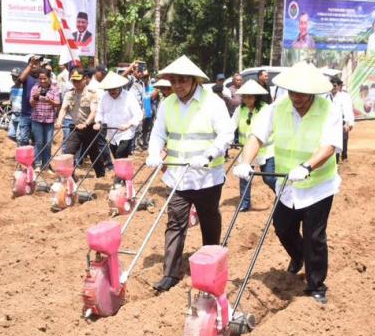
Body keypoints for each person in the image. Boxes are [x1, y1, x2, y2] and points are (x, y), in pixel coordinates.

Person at [233, 62, 341, 304]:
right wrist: (246, 161)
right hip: (287, 185)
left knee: (315, 235)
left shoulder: (328, 110)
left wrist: (307, 166)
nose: (297, 98)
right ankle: (299, 255)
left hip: (318, 185)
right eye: (293, 92)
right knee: (282, 226)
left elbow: (329, 146)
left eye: (302, 93)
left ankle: (316, 285)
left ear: (313, 92)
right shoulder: (277, 108)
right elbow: (257, 136)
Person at [146, 55, 235, 292]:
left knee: (209, 219)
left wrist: (207, 155)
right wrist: (154, 152)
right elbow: (157, 134)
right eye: (173, 81)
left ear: (194, 80)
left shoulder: (213, 103)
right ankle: (170, 273)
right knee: (175, 222)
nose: (177, 86)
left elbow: (226, 135)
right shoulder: (167, 105)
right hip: (177, 176)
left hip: (207, 176)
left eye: (182, 81)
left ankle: (211, 261)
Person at [232, 79, 276, 212]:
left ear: (256, 96)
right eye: (244, 96)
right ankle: (244, 203)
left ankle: (282, 194)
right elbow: (231, 126)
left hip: (265, 150)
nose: (247, 99)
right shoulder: (240, 109)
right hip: (246, 149)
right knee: (244, 177)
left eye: (250, 96)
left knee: (268, 178)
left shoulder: (267, 109)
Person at [55, 68, 105, 178]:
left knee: (94, 153)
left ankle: (101, 176)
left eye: (78, 80)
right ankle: (69, 176)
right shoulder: (69, 94)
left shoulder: (92, 93)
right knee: (68, 151)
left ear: (85, 79)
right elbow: (63, 109)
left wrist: (86, 123)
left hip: (90, 128)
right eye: (74, 81)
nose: (76, 83)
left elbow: (94, 111)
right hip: (76, 128)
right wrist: (59, 121)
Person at [95, 72, 143, 159]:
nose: (112, 91)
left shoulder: (129, 96)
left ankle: (122, 172)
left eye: (114, 89)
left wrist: (128, 124)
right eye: (109, 89)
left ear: (120, 87)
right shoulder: (104, 97)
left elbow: (138, 114)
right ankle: (123, 172)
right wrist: (98, 122)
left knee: (120, 154)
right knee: (116, 156)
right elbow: (100, 112)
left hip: (126, 133)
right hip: (111, 133)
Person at [30, 68, 60, 170]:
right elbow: (31, 104)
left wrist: (49, 101)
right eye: (40, 79)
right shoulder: (35, 88)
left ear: (49, 78)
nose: (42, 81)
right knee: (39, 142)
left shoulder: (54, 89)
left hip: (49, 119)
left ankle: (46, 164)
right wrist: (35, 97)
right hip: (37, 119)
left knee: (48, 143)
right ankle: (38, 164)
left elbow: (57, 103)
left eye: (44, 78)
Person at [17, 54, 43, 146]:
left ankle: (35, 159)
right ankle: (25, 159)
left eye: (37, 63)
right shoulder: (27, 76)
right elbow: (20, 80)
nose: (34, 65)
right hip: (25, 113)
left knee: (37, 140)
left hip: (39, 114)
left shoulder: (43, 78)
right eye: (32, 64)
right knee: (24, 139)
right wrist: (30, 64)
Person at [329, 76, 354, 163]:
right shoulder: (326, 96)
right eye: (331, 85)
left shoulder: (344, 97)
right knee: (331, 141)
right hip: (329, 123)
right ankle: (334, 159)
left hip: (341, 122)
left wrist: (348, 122)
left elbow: (348, 110)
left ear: (339, 86)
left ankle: (344, 156)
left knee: (343, 139)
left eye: (335, 85)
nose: (333, 87)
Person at [7, 68, 23, 142]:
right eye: (13, 77)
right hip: (14, 115)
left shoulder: (24, 88)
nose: (14, 78)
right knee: (11, 134)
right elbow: (11, 101)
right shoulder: (12, 88)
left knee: (19, 136)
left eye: (16, 77)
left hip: (22, 115)